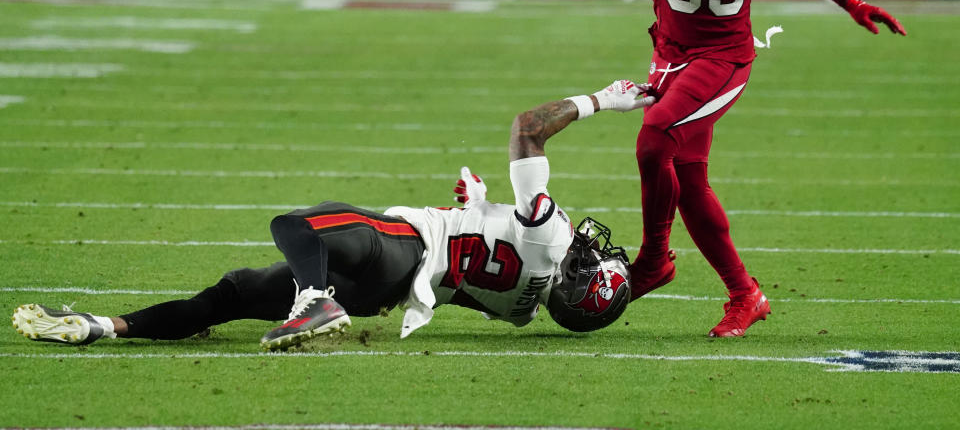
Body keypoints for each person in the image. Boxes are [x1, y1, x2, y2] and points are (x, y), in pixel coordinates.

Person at [567, 0, 906, 338]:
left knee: (655, 139)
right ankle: (746, 295)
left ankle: (655, 258)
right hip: (670, 51)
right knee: (691, 184)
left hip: (723, 56)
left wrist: (851, 2)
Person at [12, 80, 651, 351]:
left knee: (295, 226)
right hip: (388, 292)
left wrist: (601, 101)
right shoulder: (521, 309)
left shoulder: (552, 237)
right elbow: (474, 267)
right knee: (233, 294)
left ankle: (316, 300)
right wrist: (479, 209)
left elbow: (528, 129)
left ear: (575, 278)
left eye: (592, 261)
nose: (591, 246)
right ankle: (103, 327)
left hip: (396, 246)